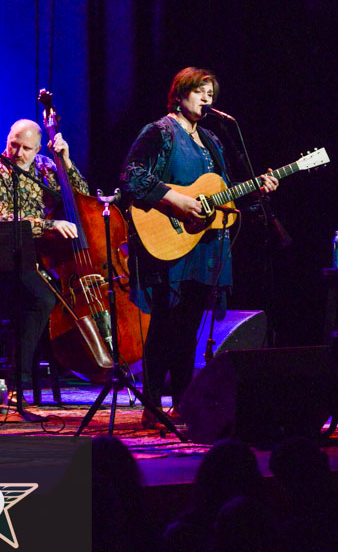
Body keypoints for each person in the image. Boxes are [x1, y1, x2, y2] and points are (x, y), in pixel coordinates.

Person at [119, 68, 277, 427]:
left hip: (202, 247)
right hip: (166, 240)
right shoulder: (159, 132)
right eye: (200, 91)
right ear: (179, 94)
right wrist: (175, 199)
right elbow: (131, 176)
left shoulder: (213, 140)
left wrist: (256, 190)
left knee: (189, 327)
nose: (207, 99)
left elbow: (225, 196)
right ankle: (152, 406)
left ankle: (184, 404)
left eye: (211, 93)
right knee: (164, 324)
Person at [0, 118, 86, 389]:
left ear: (39, 148)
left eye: (26, 148)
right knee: (42, 298)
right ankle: (19, 377)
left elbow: (82, 198)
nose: (17, 153)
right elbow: (4, 220)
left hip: (46, 253)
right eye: (13, 145)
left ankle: (75, 365)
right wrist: (51, 224)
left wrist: (66, 162)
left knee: (64, 296)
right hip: (9, 252)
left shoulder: (46, 167)